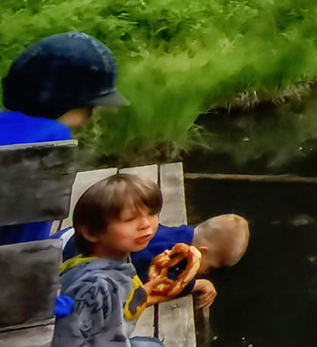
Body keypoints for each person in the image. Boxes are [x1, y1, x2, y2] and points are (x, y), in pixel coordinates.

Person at [0, 32, 252, 269]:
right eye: (89, 107)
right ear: (62, 100)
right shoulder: (49, 138)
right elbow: (23, 244)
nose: (90, 116)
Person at [14, 173, 210, 347]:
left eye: (151, 214)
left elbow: (104, 319)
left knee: (153, 345)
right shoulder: (94, 286)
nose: (147, 225)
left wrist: (143, 294)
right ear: (92, 231)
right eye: (130, 220)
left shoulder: (97, 258)